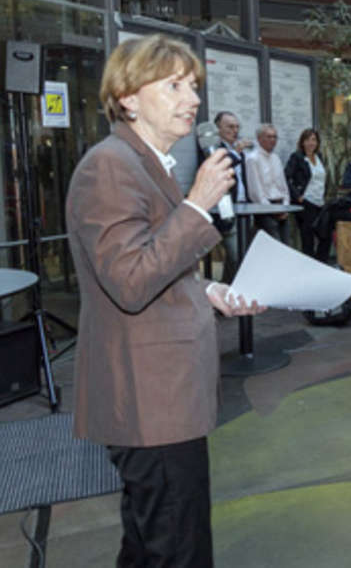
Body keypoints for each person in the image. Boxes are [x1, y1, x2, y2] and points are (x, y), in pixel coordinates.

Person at [66, 34, 264, 566]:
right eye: (174, 85)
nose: (192, 99)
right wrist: (198, 206)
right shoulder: (110, 166)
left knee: (150, 545)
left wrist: (209, 290)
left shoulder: (147, 164)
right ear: (128, 98)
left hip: (162, 399)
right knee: (178, 550)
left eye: (193, 86)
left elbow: (149, 266)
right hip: (150, 403)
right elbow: (130, 281)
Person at [207, 110, 251, 282]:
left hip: (243, 210)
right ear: (218, 129)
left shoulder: (236, 150)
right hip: (226, 211)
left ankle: (226, 296)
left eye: (237, 127)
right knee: (236, 257)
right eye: (230, 127)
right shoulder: (214, 149)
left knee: (238, 259)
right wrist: (236, 153)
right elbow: (219, 169)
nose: (235, 131)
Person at [285, 128, 330, 260]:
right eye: (308, 139)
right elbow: (286, 177)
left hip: (319, 202)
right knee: (308, 238)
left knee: (325, 235)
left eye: (314, 140)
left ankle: (320, 263)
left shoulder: (319, 157)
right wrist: (297, 195)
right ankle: (309, 268)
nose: (311, 143)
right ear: (302, 142)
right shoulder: (297, 157)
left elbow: (323, 179)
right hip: (306, 203)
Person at [245, 123, 290, 244]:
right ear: (259, 139)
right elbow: (256, 192)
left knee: (286, 247)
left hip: (281, 209)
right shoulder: (253, 159)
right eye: (269, 137)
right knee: (275, 247)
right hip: (264, 211)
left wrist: (285, 207)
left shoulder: (276, 158)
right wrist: (273, 210)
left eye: (275, 137)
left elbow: (283, 187)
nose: (273, 140)